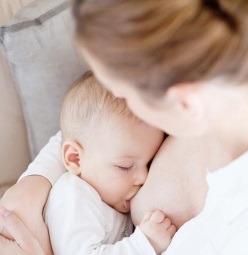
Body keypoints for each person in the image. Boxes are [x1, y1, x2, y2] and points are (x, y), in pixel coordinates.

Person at [0, 0, 248, 255]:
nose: (117, 97)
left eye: (124, 92)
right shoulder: (237, 45)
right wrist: (37, 183)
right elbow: (97, 123)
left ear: (182, 103)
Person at [44, 71, 175, 255]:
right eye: (125, 167)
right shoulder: (74, 197)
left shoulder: (109, 197)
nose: (144, 177)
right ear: (75, 158)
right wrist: (143, 245)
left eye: (149, 163)